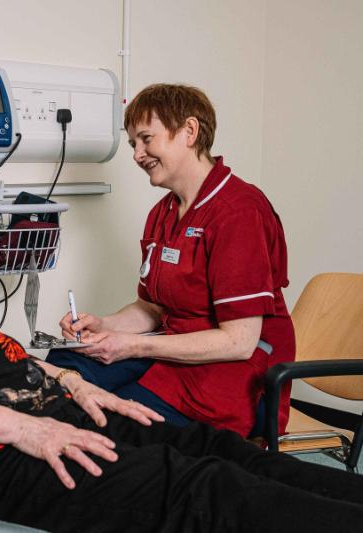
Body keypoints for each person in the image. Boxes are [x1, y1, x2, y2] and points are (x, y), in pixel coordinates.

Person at [0, 186, 363, 533]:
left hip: (53, 418)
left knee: (213, 449)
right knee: (201, 490)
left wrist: (76, 385)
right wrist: (31, 427)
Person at [49, 83, 294, 437]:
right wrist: (104, 326)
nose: (137, 154)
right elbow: (151, 309)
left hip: (231, 373)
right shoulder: (163, 213)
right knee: (59, 370)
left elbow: (238, 342)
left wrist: (132, 345)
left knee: (115, 422)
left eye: (147, 139)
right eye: (134, 143)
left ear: (189, 132)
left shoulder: (239, 211)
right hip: (172, 351)